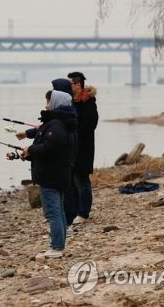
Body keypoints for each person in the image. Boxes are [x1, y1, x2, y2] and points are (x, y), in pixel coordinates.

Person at [21, 90, 77, 258]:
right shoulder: (59, 122)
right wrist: (30, 154)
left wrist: (31, 149)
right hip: (57, 174)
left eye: (48, 101)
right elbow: (50, 150)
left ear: (56, 103)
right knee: (58, 212)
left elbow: (52, 148)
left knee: (53, 213)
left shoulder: (56, 125)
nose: (46, 105)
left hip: (51, 177)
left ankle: (56, 248)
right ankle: (58, 246)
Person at [67, 71, 98, 225]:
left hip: (84, 147)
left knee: (82, 180)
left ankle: (83, 213)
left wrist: (74, 132)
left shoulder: (88, 101)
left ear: (78, 84)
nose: (69, 86)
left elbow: (91, 125)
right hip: (72, 148)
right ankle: (75, 211)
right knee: (73, 180)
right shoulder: (71, 101)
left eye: (70, 84)